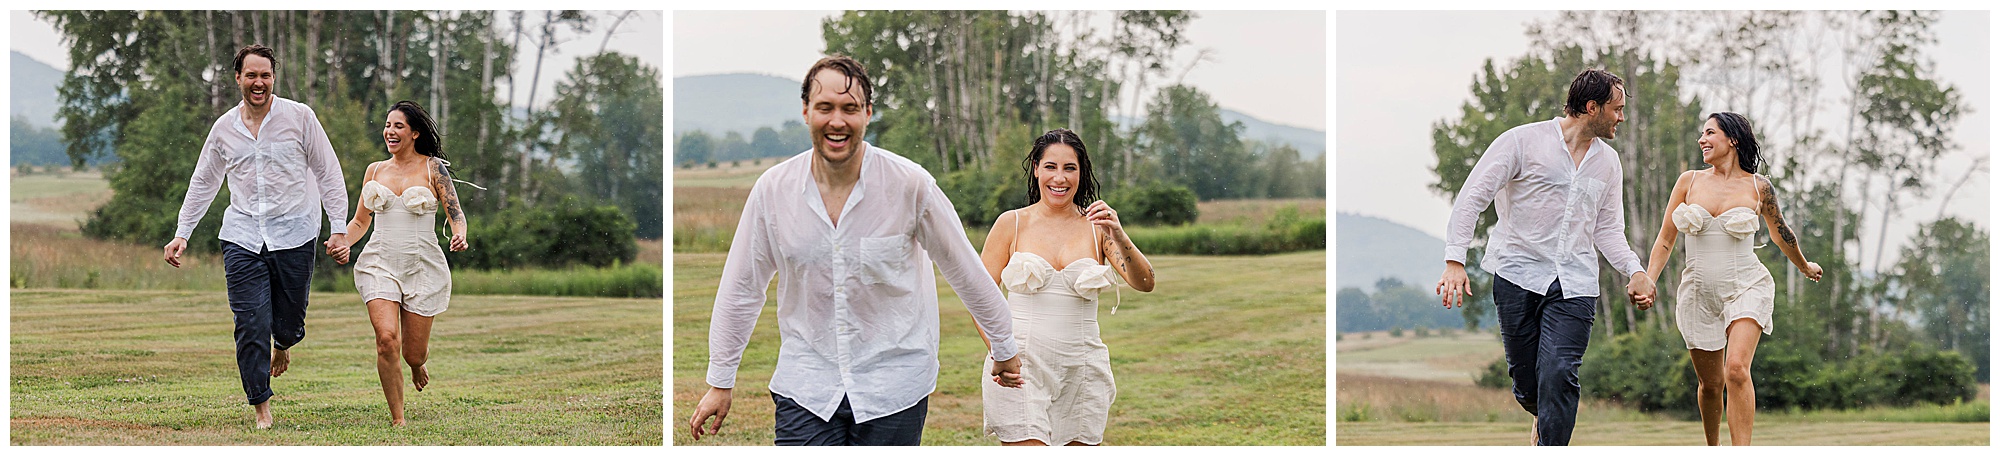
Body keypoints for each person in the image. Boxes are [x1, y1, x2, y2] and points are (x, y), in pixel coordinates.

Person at [687, 55, 1025, 446]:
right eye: (825, 108)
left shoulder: (910, 186)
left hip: (894, 387)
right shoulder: (772, 191)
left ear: (867, 113)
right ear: (805, 111)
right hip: (806, 385)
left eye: (849, 109)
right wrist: (720, 380)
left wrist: (1003, 346)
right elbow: (742, 288)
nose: (837, 121)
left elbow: (965, 270)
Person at [1435, 68, 1655, 446]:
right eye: (1617, 109)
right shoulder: (1522, 141)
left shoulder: (1609, 163)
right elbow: (1473, 196)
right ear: (1591, 107)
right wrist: (1455, 260)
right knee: (1527, 383)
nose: (1622, 117)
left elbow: (1607, 229)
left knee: (1559, 373)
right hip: (1517, 273)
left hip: (1576, 283)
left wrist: (1634, 270)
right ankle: (1542, 416)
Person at [162, 44, 349, 429]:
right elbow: (204, 181)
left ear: (273, 78)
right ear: (238, 78)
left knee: (290, 319)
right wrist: (183, 233)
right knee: (249, 323)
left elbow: (328, 172)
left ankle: (284, 343)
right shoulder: (224, 129)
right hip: (242, 235)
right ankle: (261, 407)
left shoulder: (300, 118)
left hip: (295, 231)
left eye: (265, 75)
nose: (258, 82)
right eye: (251, 75)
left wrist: (340, 228)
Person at [1639, 112, 1821, 446]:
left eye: (1710, 133)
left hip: (1746, 286)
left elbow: (1781, 234)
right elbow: (1665, 239)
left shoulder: (1758, 187)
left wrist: (1804, 266)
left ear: (1732, 139)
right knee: (1711, 385)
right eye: (1701, 134)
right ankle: (1713, 447)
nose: (1702, 139)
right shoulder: (1688, 181)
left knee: (1735, 369)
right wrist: (1649, 279)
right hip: (1698, 294)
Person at [977, 129, 1156, 446]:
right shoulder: (1011, 223)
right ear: (1036, 167)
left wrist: (1117, 232)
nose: (1059, 178)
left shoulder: (1098, 230)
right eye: (1050, 166)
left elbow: (1144, 283)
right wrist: (1000, 353)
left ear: (1081, 172)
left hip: (1083, 369)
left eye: (1069, 168)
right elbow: (979, 298)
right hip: (1021, 367)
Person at [327, 100, 468, 426]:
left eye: (398, 126)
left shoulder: (433, 169)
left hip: (422, 265)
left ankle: (418, 364)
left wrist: (459, 234)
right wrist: (342, 241)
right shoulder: (375, 171)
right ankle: (398, 419)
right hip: (380, 262)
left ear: (415, 133)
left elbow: (456, 215)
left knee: (412, 352)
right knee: (387, 339)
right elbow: (361, 222)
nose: (390, 131)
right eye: (388, 125)